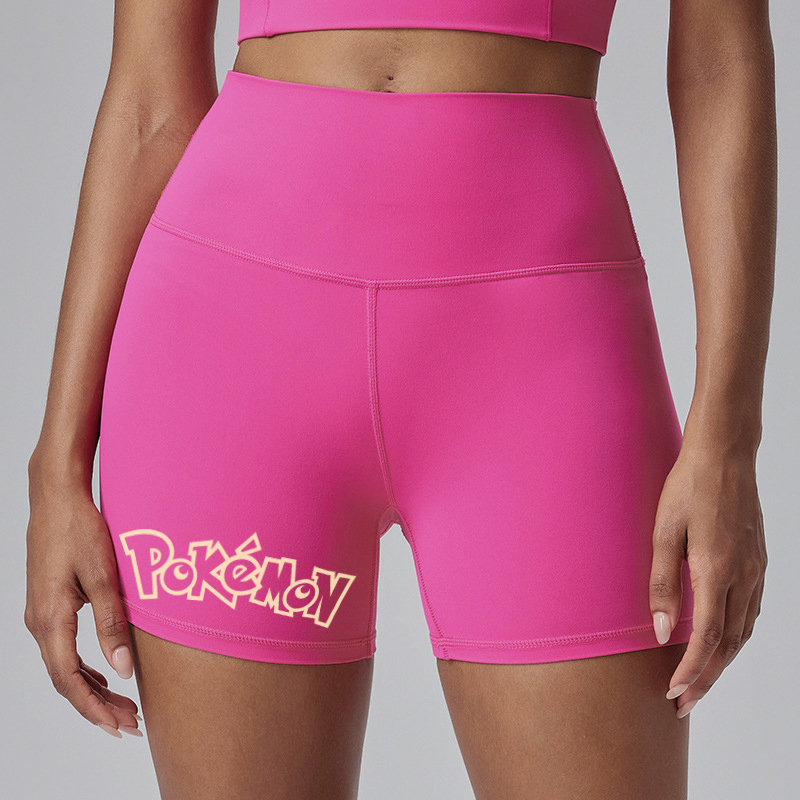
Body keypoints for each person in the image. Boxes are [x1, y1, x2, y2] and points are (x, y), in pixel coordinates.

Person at [24, 0, 774, 797]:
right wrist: (57, 465)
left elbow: (720, 62)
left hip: (539, 355)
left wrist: (729, 437)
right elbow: (149, 99)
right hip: (228, 348)